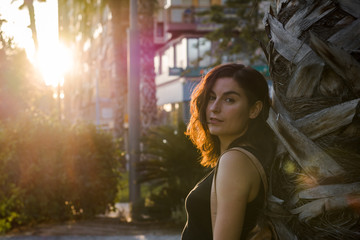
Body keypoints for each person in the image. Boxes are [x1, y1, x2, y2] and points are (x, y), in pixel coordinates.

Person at [181, 63, 275, 240]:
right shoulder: (245, 157)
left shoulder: (235, 161)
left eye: (229, 99)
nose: (214, 108)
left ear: (254, 109)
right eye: (211, 97)